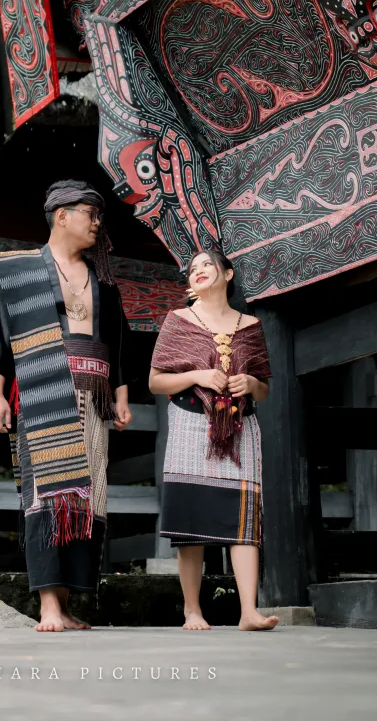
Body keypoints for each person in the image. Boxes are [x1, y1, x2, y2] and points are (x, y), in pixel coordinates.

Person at [0, 180, 133, 632]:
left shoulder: (104, 282)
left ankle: (66, 600)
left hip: (93, 396)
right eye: (90, 214)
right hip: (42, 390)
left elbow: (118, 344)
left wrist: (120, 396)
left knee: (87, 497)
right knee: (46, 496)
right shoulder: (22, 272)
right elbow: (1, 337)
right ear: (62, 215)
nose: (97, 224)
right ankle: (47, 605)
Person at [149, 248, 278, 632]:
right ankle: (192, 610)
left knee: (244, 519)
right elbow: (156, 381)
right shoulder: (178, 321)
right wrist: (197, 376)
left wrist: (250, 382)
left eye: (207, 264)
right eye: (193, 269)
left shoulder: (250, 326)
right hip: (191, 423)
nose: (199, 271)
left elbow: (264, 389)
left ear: (228, 273)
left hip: (241, 426)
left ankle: (248, 612)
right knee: (191, 519)